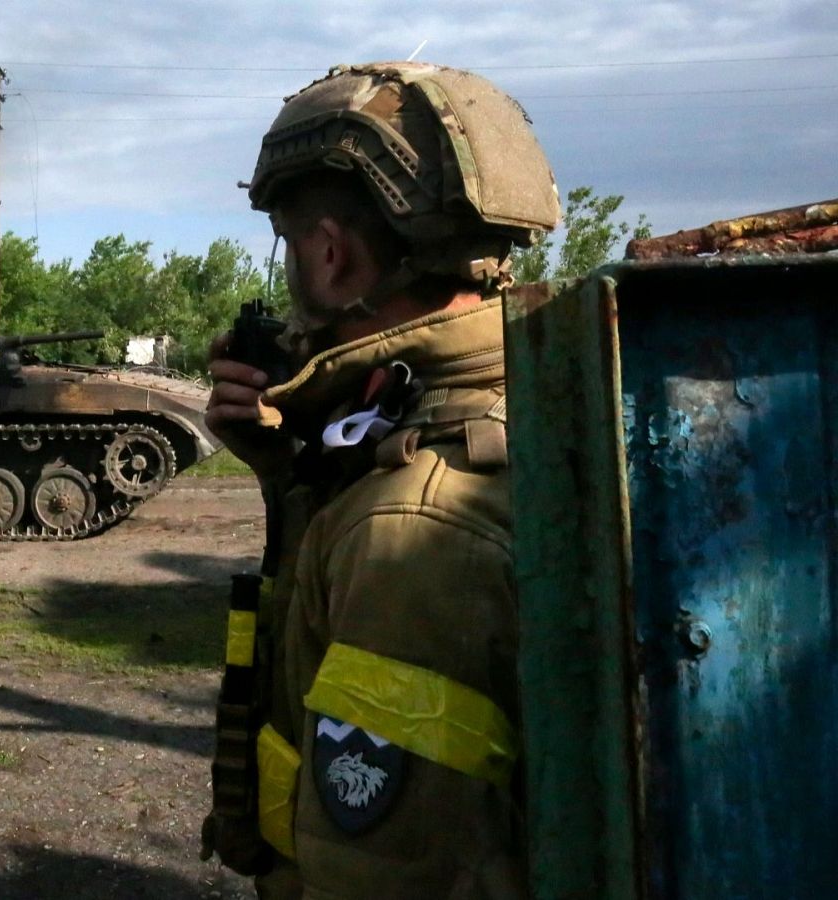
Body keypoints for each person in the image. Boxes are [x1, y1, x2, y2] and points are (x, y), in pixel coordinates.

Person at [200, 63, 561, 898]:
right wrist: (286, 470)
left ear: (332, 253)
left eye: (291, 243)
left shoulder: (415, 526)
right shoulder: (535, 402)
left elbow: (389, 871)